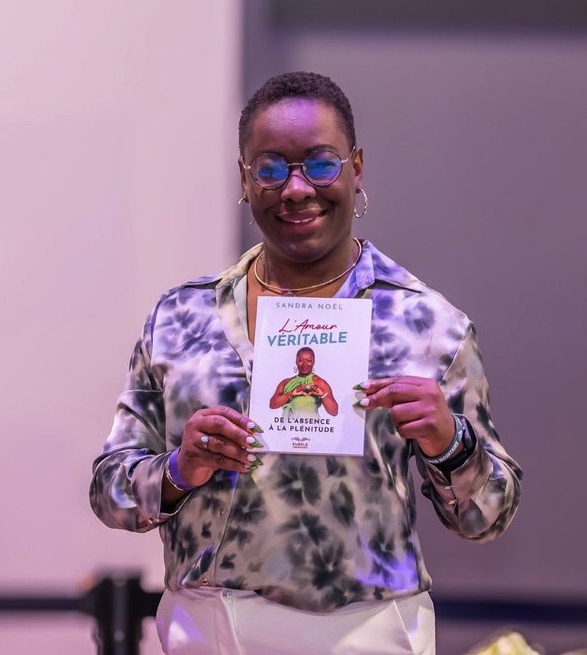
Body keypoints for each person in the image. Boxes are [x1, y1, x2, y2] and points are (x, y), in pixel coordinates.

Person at [90, 71, 522, 654]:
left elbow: (488, 515)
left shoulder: (426, 325)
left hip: (368, 632)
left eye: (320, 164)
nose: (295, 189)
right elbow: (109, 490)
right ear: (245, 179)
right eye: (270, 168)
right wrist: (179, 470)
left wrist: (451, 444)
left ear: (356, 169)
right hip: (212, 628)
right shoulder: (182, 318)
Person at [269, 346, 337, 416]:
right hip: (287, 423)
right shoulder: (285, 382)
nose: (305, 363)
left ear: (313, 362)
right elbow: (272, 405)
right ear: (296, 361)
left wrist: (323, 395)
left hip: (310, 422)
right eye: (301, 360)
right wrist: (290, 394)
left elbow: (334, 412)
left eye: (309, 360)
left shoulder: (320, 383)